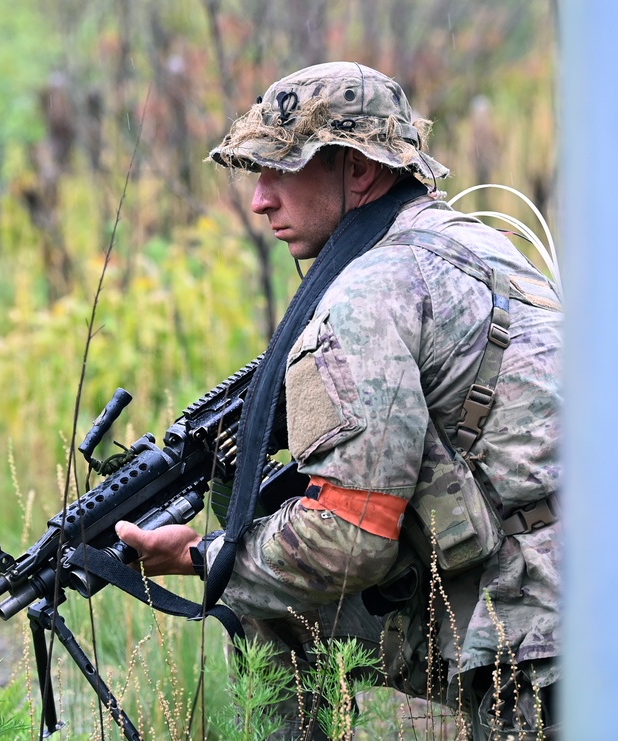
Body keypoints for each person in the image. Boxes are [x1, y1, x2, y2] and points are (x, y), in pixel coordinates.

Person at [116, 61, 561, 739]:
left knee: (270, 585)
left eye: (280, 171)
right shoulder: (480, 242)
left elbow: (350, 541)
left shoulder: (367, 291)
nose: (259, 200)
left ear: (357, 171)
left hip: (549, 628)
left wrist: (200, 556)